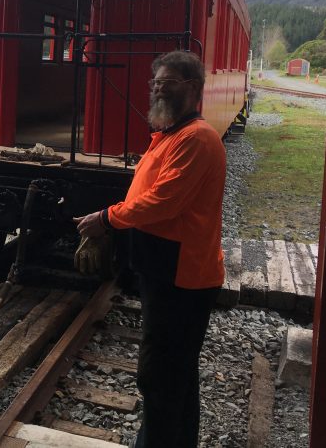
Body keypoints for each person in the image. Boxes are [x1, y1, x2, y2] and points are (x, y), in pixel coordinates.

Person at [74, 50, 226, 448]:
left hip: (182, 276)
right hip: (168, 269)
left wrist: (106, 219)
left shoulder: (196, 139)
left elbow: (163, 202)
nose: (158, 87)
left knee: (159, 372)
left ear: (192, 88)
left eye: (169, 81)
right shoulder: (172, 135)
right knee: (177, 371)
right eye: (155, 81)